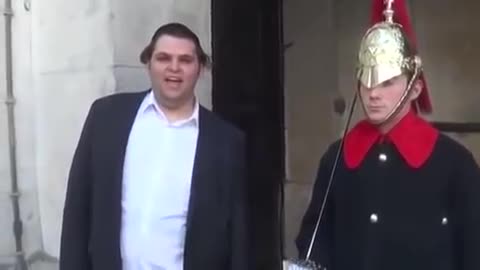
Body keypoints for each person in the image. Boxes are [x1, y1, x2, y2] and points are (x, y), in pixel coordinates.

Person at [295, 0, 480, 270]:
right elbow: (315, 237)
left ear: (415, 89)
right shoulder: (337, 157)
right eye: (367, 81)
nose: (373, 93)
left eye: (387, 82)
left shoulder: (455, 163)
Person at [59, 22, 249, 270]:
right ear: (148, 63)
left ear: (200, 68)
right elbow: (78, 208)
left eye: (185, 60)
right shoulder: (107, 118)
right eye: (163, 58)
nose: (174, 68)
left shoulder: (226, 141)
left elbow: (238, 232)